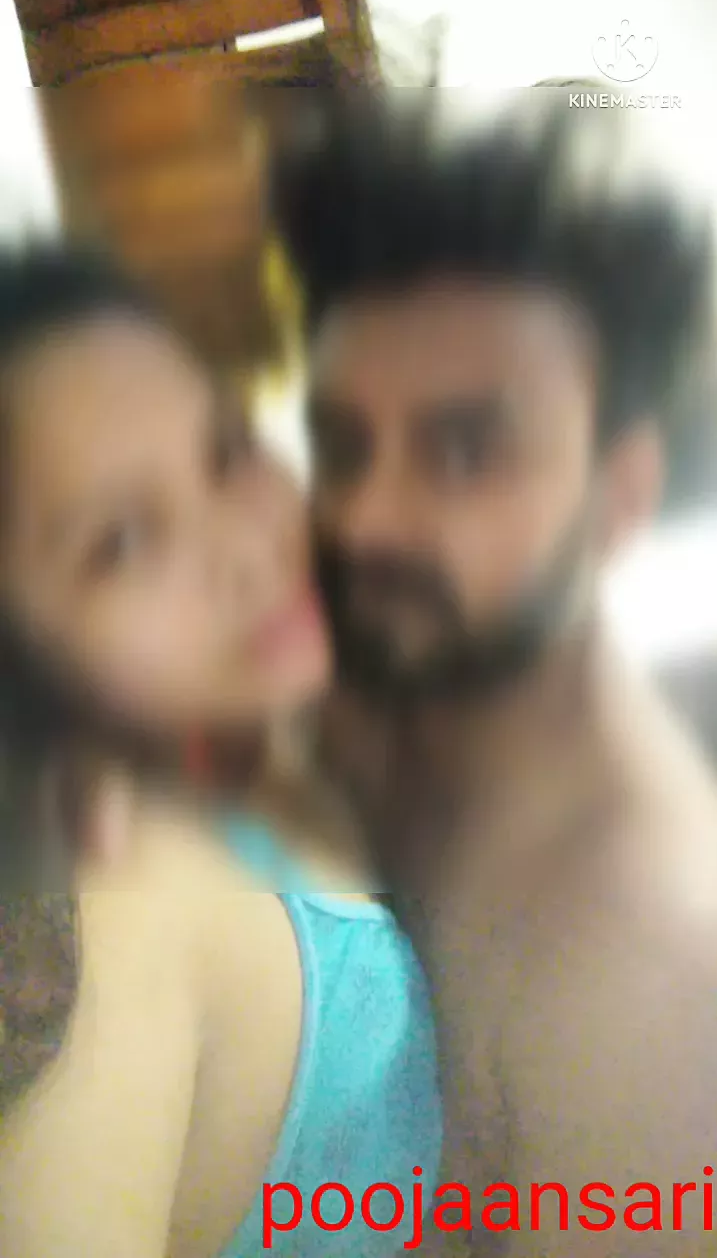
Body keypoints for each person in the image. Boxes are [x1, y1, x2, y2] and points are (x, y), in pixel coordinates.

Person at [275, 93, 717, 1255]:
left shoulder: (652, 980)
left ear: (620, 496)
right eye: (343, 445)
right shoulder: (397, 695)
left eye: (467, 448)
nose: (365, 520)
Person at [0, 246, 443, 1257]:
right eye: (120, 541)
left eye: (228, 452)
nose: (247, 547)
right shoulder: (115, 908)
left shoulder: (274, 740)